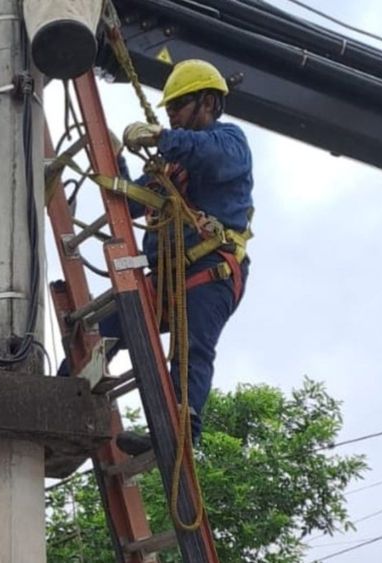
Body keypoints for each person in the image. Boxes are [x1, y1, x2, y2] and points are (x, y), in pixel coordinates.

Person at [105, 59, 254, 454]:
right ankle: (66, 389)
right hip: (168, 274)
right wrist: (113, 159)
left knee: (192, 350)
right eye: (168, 109)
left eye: (178, 107)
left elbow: (207, 154)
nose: (171, 115)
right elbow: (134, 201)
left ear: (208, 103)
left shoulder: (229, 142)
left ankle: (180, 429)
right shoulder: (171, 166)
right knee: (105, 326)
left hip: (211, 270)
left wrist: (159, 136)